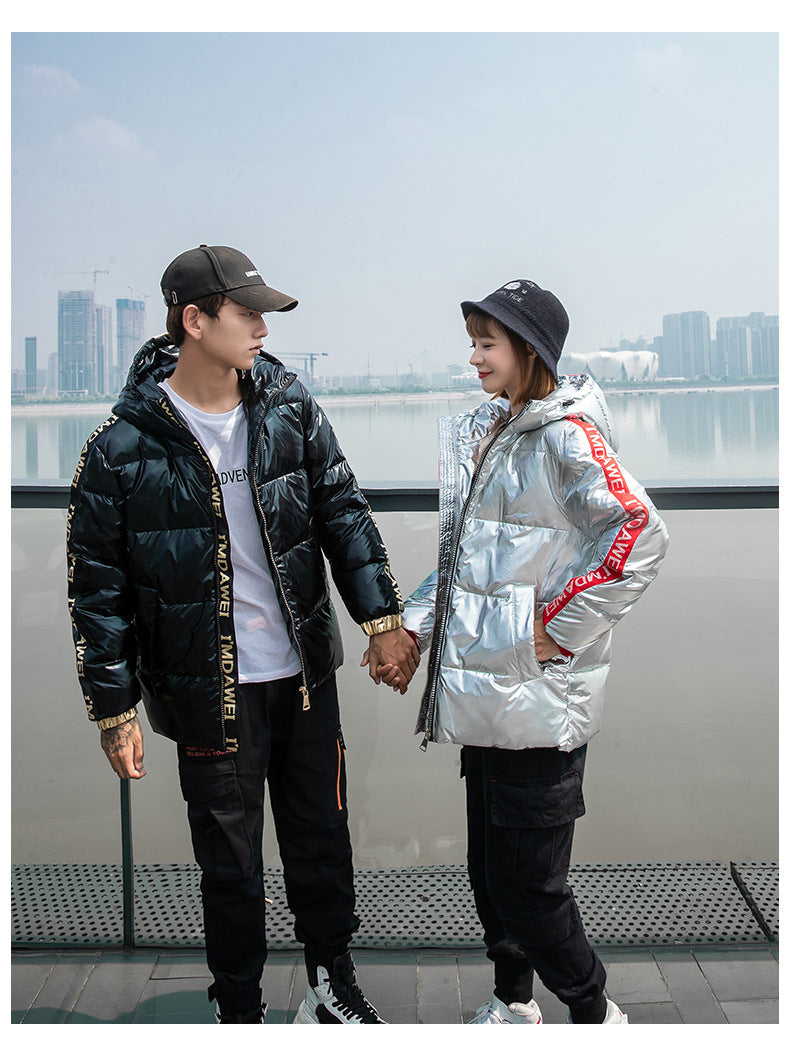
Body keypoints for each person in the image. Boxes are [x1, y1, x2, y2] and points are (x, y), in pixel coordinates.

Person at [66, 244, 419, 1024]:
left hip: (303, 679)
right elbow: (98, 592)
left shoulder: (289, 407)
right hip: (205, 695)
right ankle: (239, 1012)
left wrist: (383, 621)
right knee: (228, 868)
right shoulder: (120, 450)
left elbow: (343, 513)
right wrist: (114, 710)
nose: (263, 328)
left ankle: (331, 989)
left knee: (322, 841)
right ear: (195, 321)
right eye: (247, 312)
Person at [378, 279, 669, 1024]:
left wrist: (559, 627)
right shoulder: (500, 432)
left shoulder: (565, 436)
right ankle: (514, 1006)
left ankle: (597, 1016)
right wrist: (411, 627)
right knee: (491, 876)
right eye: (473, 343)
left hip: (537, 702)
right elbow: (462, 562)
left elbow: (639, 535)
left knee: (531, 888)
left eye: (487, 344)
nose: (474, 358)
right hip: (490, 697)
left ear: (529, 351)